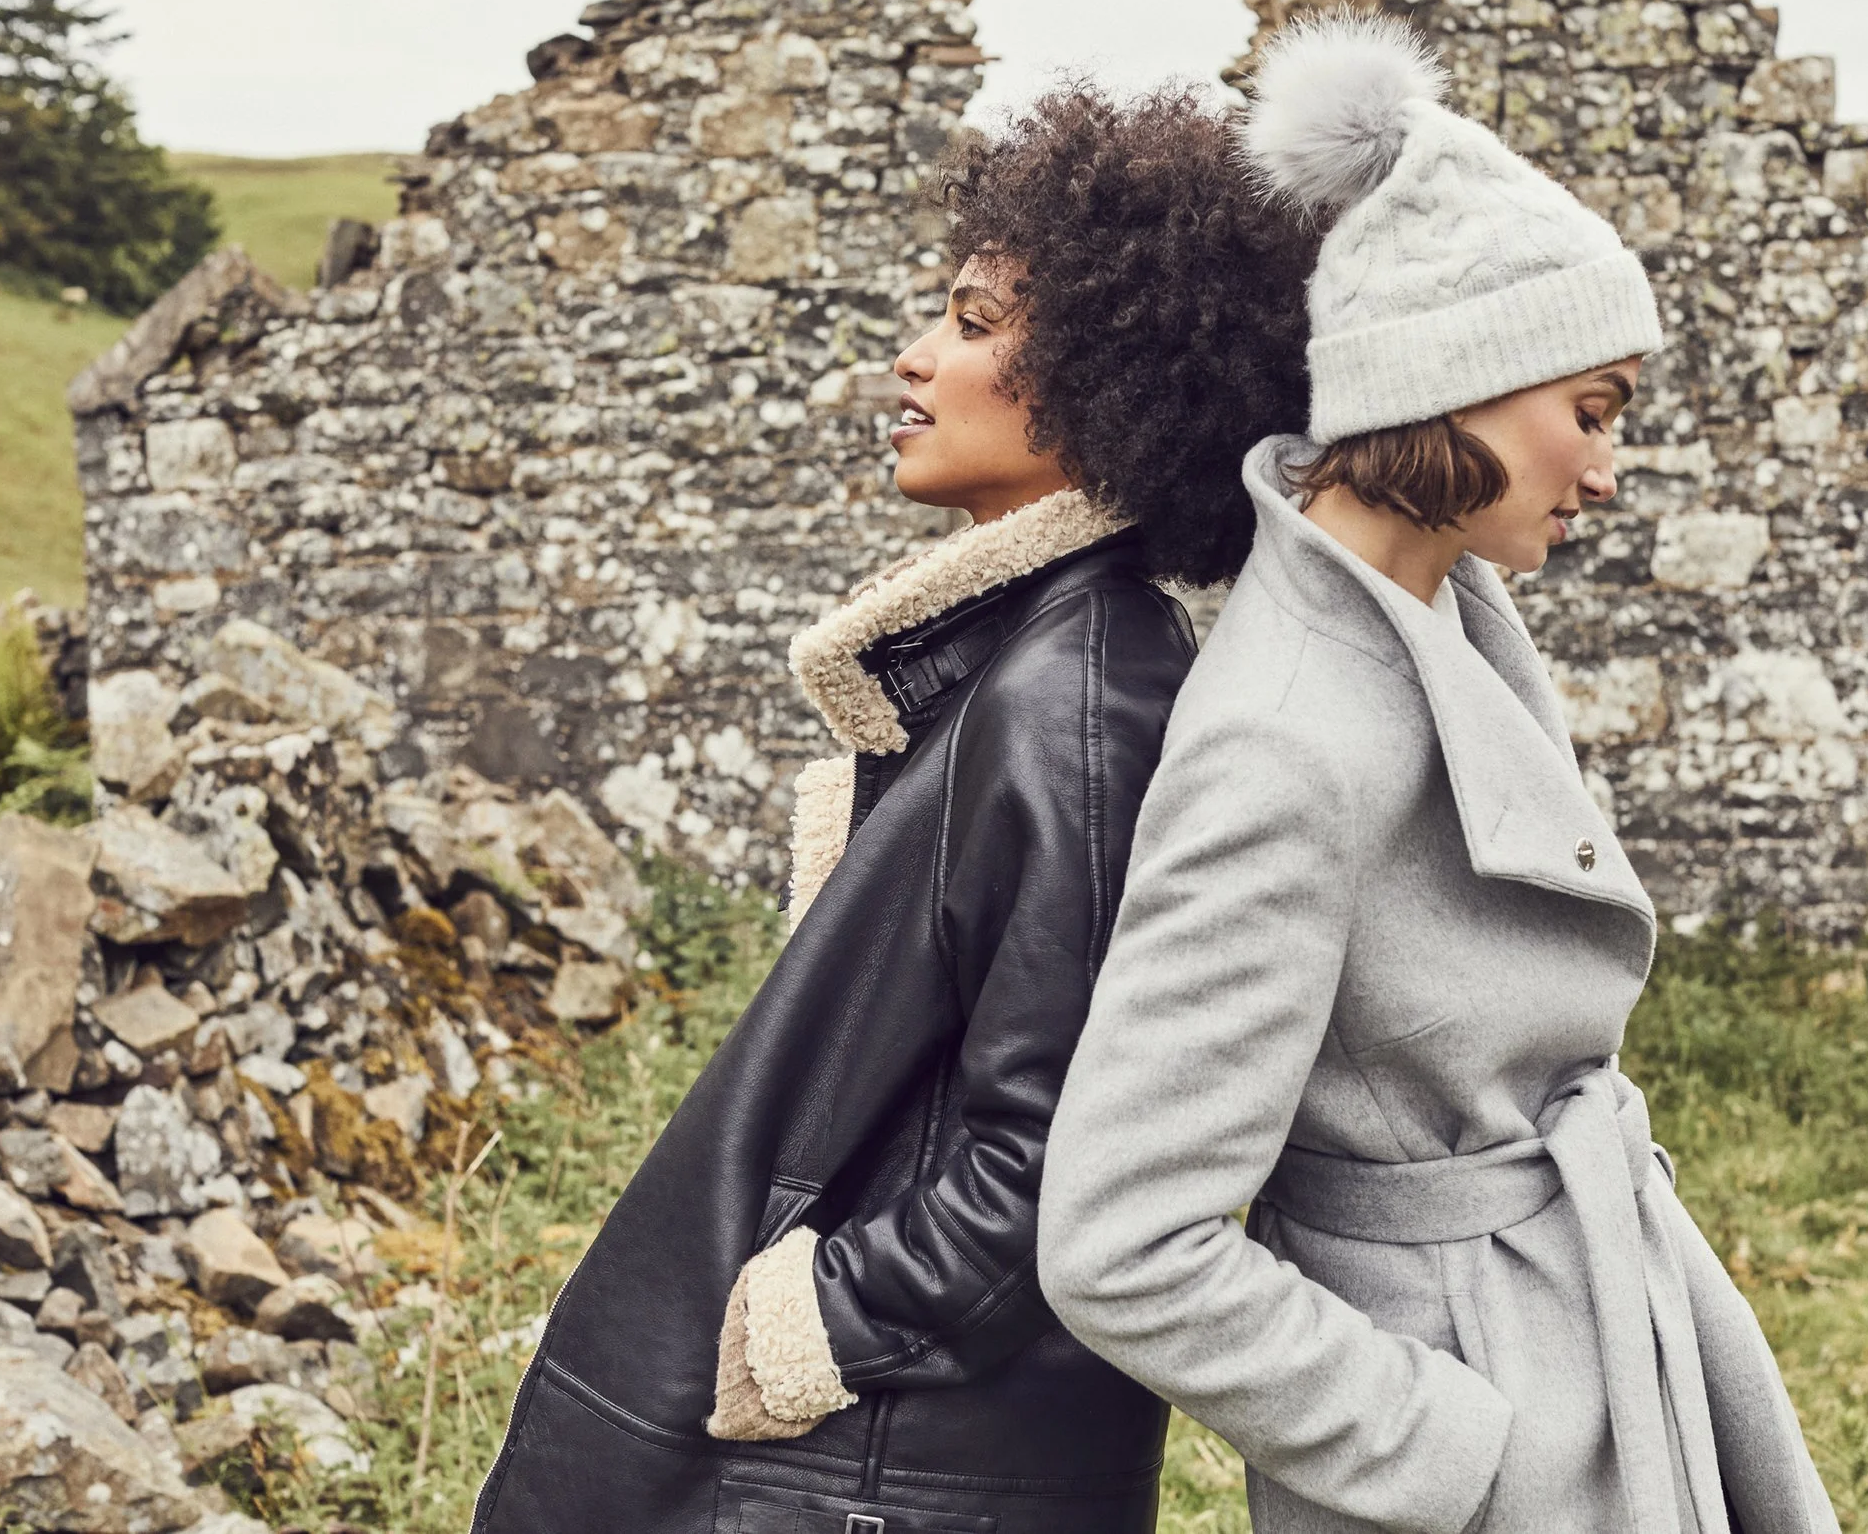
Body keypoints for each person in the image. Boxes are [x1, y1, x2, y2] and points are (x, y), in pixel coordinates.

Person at [469, 82, 1319, 1534]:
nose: (914, 357)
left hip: (887, 1476)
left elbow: (1071, 1159)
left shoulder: (1078, 699)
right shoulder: (1033, 664)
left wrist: (813, 1325)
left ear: (1117, 373)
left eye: (975, 323)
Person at [1037, 13, 1842, 1534]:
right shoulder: (1281, 734)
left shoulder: (1441, 614)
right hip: (1482, 1408)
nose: (1607, 472)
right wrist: (1466, 1451)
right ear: (1454, 377)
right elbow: (1121, 1244)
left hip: (1598, 1314)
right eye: (1590, 412)